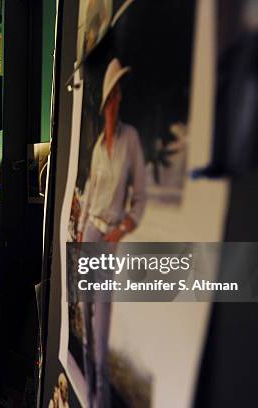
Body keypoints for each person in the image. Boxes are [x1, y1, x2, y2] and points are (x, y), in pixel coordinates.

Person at [73, 57, 147, 407]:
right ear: (105, 103)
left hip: (108, 238)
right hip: (88, 233)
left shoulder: (130, 139)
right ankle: (88, 391)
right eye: (112, 94)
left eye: (121, 94)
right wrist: (77, 232)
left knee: (100, 324)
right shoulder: (98, 147)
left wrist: (121, 230)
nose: (117, 100)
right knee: (85, 319)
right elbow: (88, 198)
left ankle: (100, 398)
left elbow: (140, 199)